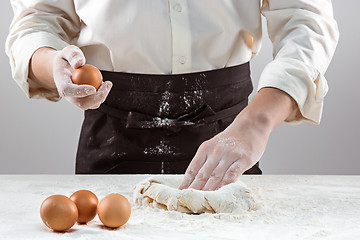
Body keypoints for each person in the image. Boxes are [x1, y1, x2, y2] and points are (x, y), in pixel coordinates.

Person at [6, 0, 339, 191]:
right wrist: (54, 65)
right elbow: (39, 17)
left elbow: (305, 18)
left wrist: (257, 122)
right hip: (112, 133)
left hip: (230, 132)